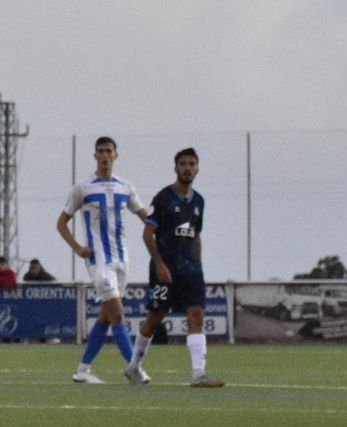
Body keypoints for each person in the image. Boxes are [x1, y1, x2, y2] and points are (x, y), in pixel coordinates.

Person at [57, 137, 152, 384]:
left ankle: (83, 369)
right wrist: (77, 247)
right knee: (118, 314)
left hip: (122, 259)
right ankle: (135, 369)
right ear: (95, 155)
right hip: (99, 262)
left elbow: (144, 215)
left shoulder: (125, 187)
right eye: (100, 151)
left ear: (116, 155)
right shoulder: (83, 187)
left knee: (106, 316)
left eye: (109, 151)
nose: (105, 155)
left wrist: (162, 227)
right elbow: (61, 223)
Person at [131, 148, 225, 388]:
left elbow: (196, 236)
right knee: (154, 318)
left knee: (196, 315)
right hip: (165, 270)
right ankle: (134, 366)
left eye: (191, 164)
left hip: (191, 271)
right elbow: (147, 233)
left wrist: (199, 267)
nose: (187, 168)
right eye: (183, 163)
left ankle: (198, 373)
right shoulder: (163, 198)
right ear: (176, 168)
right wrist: (160, 264)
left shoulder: (199, 202)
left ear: (197, 168)